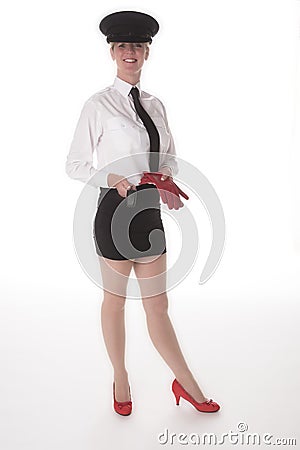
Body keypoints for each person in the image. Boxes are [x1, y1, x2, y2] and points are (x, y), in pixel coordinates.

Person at [65, 10, 220, 416]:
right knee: (114, 303)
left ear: (147, 52)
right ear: (112, 52)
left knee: (157, 307)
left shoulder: (155, 104)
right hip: (114, 210)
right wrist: (112, 176)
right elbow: (74, 164)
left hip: (148, 213)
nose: (129, 52)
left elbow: (170, 156)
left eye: (137, 45)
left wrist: (164, 176)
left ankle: (188, 385)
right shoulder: (98, 104)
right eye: (122, 46)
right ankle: (120, 377)